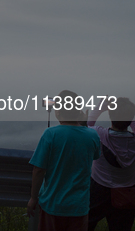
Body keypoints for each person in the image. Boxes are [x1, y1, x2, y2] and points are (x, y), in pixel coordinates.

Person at [27, 90, 101, 231]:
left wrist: (33, 198)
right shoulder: (92, 135)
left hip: (53, 205)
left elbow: (39, 170)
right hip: (79, 206)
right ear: (79, 111)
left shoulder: (51, 134)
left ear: (58, 112)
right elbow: (95, 156)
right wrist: (83, 124)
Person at [87, 97, 135, 231]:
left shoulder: (99, 134)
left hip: (98, 189)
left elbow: (86, 125)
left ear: (110, 115)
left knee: (86, 225)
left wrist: (101, 107)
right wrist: (127, 112)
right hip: (127, 193)